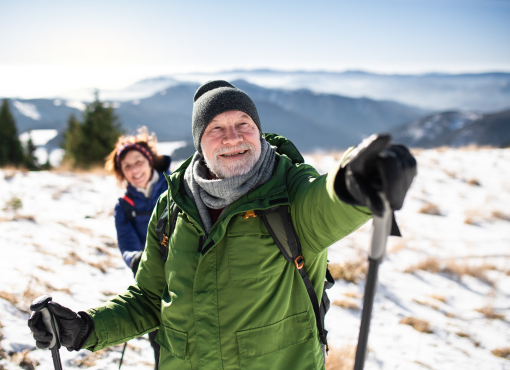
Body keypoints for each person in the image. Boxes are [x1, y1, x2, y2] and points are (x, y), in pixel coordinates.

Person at [28, 80, 417, 369]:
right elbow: (149, 299)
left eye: (244, 123)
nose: (233, 137)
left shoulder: (289, 192)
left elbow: (327, 203)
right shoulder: (173, 207)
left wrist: (356, 183)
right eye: (216, 128)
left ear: (259, 131)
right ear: (200, 142)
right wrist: (85, 328)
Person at [104, 126, 171, 369]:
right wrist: (139, 260)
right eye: (127, 166)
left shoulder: (175, 188)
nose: (134, 170)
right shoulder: (124, 206)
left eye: (138, 162)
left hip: (184, 273)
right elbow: (127, 245)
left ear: (149, 160)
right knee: (160, 342)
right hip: (151, 282)